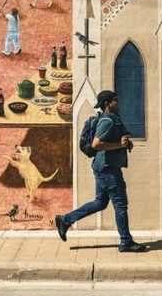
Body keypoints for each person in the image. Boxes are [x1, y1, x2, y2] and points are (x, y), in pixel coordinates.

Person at [55, 90, 147, 253]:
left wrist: (126, 144)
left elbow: (113, 141)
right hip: (108, 169)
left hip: (104, 167)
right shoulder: (107, 121)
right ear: (107, 104)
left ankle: (65, 219)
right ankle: (126, 242)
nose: (118, 103)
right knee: (120, 205)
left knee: (100, 203)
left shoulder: (113, 119)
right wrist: (119, 145)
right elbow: (97, 144)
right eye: (115, 100)